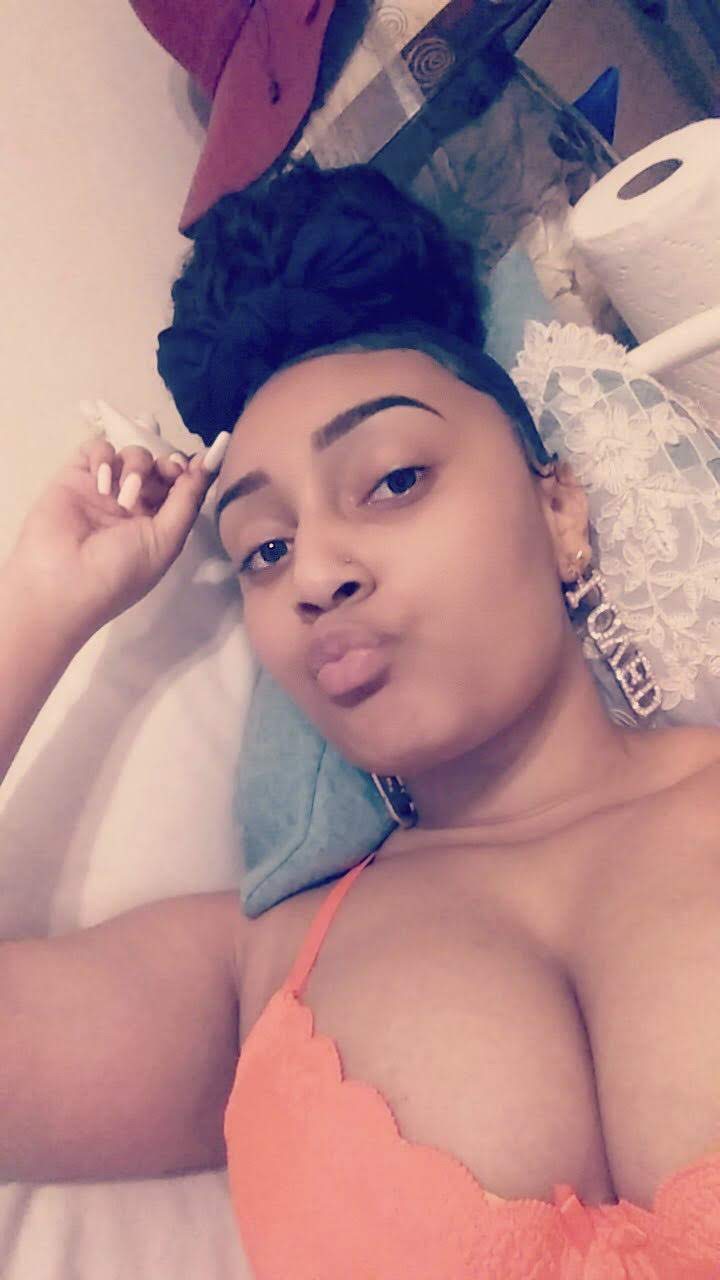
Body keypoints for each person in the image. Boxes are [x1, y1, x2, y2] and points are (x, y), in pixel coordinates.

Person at [2, 164, 720, 1276]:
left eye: (392, 481)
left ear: (559, 508)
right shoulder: (255, 970)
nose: (314, 574)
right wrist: (38, 610)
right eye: (264, 549)